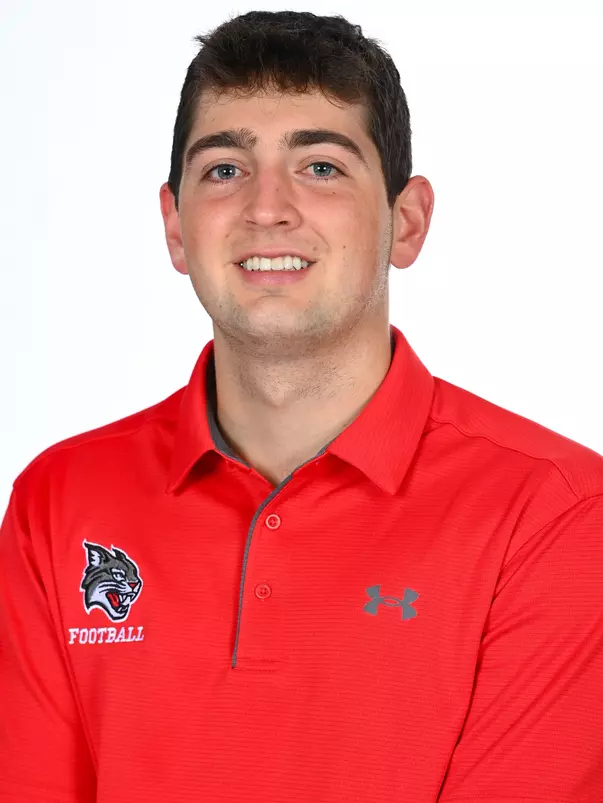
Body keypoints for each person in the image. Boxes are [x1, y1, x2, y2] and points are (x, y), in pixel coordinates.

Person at [1, 9, 602, 802]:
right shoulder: (59, 499)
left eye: (320, 166)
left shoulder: (556, 512)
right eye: (224, 169)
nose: (266, 207)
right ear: (175, 228)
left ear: (407, 221)